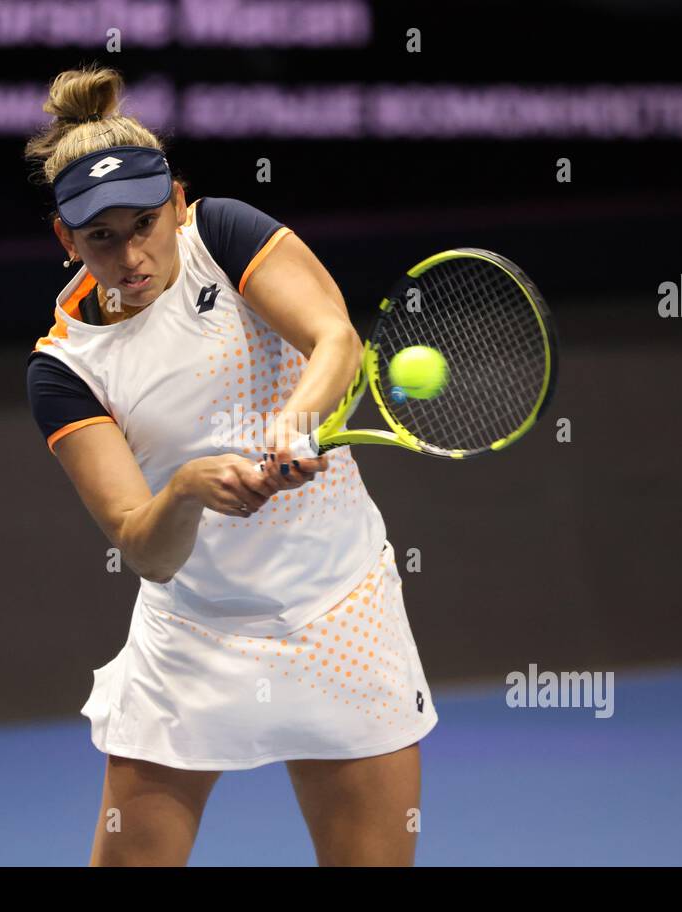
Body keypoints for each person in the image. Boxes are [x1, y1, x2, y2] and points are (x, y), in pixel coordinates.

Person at [25, 64, 438, 866]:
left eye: (145, 223)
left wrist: (294, 419)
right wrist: (185, 490)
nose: (131, 255)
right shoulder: (64, 368)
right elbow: (143, 546)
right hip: (193, 636)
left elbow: (336, 339)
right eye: (100, 237)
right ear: (66, 240)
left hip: (341, 611)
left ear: (178, 202)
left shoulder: (224, 234)